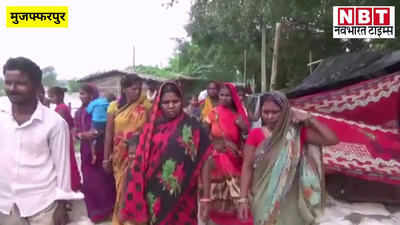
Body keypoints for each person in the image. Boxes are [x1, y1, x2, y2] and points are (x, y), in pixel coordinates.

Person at [238, 92, 339, 225]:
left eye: (275, 112)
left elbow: (331, 139)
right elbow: (247, 166)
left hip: (291, 197)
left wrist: (310, 119)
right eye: (265, 112)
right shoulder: (255, 134)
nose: (269, 116)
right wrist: (243, 198)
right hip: (262, 196)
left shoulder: (296, 133)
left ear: (285, 112)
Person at [120, 82, 213, 225]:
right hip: (154, 194)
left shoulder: (194, 128)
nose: (171, 106)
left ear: (182, 101)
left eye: (175, 101)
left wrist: (206, 197)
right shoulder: (150, 130)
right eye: (166, 102)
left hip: (184, 196)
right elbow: (138, 165)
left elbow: (206, 160)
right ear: (159, 103)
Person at [0, 57, 74, 225]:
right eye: (8, 82)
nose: (12, 88)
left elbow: (62, 168)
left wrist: (62, 206)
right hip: (5, 206)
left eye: (20, 83)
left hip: (42, 206)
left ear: (37, 86)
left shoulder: (55, 123)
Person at [103, 74, 152, 225]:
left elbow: (151, 130)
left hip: (139, 155)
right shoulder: (113, 106)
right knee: (121, 191)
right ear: (124, 89)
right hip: (119, 156)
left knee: (136, 190)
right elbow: (109, 133)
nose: (137, 92)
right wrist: (106, 158)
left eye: (139, 89)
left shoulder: (146, 106)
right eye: (133, 89)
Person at [200, 83, 251, 225]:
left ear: (233, 97)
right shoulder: (213, 113)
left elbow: (247, 140)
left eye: (227, 95)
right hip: (217, 155)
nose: (224, 98)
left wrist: (244, 128)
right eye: (222, 95)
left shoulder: (238, 116)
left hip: (234, 156)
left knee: (234, 192)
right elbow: (203, 134)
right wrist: (217, 142)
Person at [75, 84, 116, 223]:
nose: (80, 96)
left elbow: (102, 129)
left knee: (104, 182)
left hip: (100, 150)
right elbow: (77, 130)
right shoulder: (79, 112)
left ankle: (108, 211)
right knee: (89, 183)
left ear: (92, 95)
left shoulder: (100, 108)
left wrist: (90, 134)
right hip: (85, 151)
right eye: (79, 93)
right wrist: (79, 135)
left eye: (83, 94)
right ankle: (94, 214)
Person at [48, 86, 81, 191]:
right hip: (65, 137)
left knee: (65, 161)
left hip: (62, 138)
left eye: (52, 96)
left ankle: (69, 184)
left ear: (60, 96)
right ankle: (72, 183)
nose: (50, 99)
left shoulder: (61, 108)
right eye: (50, 96)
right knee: (68, 159)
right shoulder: (62, 107)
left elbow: (56, 123)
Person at [86, 94, 110, 165]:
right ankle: (107, 155)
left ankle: (94, 155)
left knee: (93, 138)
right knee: (105, 138)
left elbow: (88, 111)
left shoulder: (94, 102)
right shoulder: (106, 102)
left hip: (96, 122)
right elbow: (109, 110)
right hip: (105, 122)